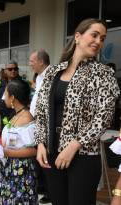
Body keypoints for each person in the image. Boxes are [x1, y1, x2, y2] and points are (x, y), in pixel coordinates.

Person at [35, 18, 120, 205]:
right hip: (51, 152)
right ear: (78, 36)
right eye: (94, 35)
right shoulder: (53, 72)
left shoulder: (103, 73)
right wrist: (40, 143)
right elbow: (41, 111)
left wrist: (74, 145)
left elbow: (104, 117)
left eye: (102, 38)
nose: (98, 41)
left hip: (83, 155)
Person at [0, 79, 37, 204]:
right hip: (9, 169)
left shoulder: (26, 118)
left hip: (20, 172)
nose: (3, 98)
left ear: (12, 98)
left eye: (6, 94)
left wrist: (7, 153)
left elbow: (34, 150)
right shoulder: (16, 115)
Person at [28, 49, 51, 204]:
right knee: (41, 158)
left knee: (47, 160)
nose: (30, 64)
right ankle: (43, 189)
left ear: (41, 62)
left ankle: (50, 192)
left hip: (47, 125)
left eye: (32, 61)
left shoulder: (52, 75)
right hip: (38, 124)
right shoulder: (39, 77)